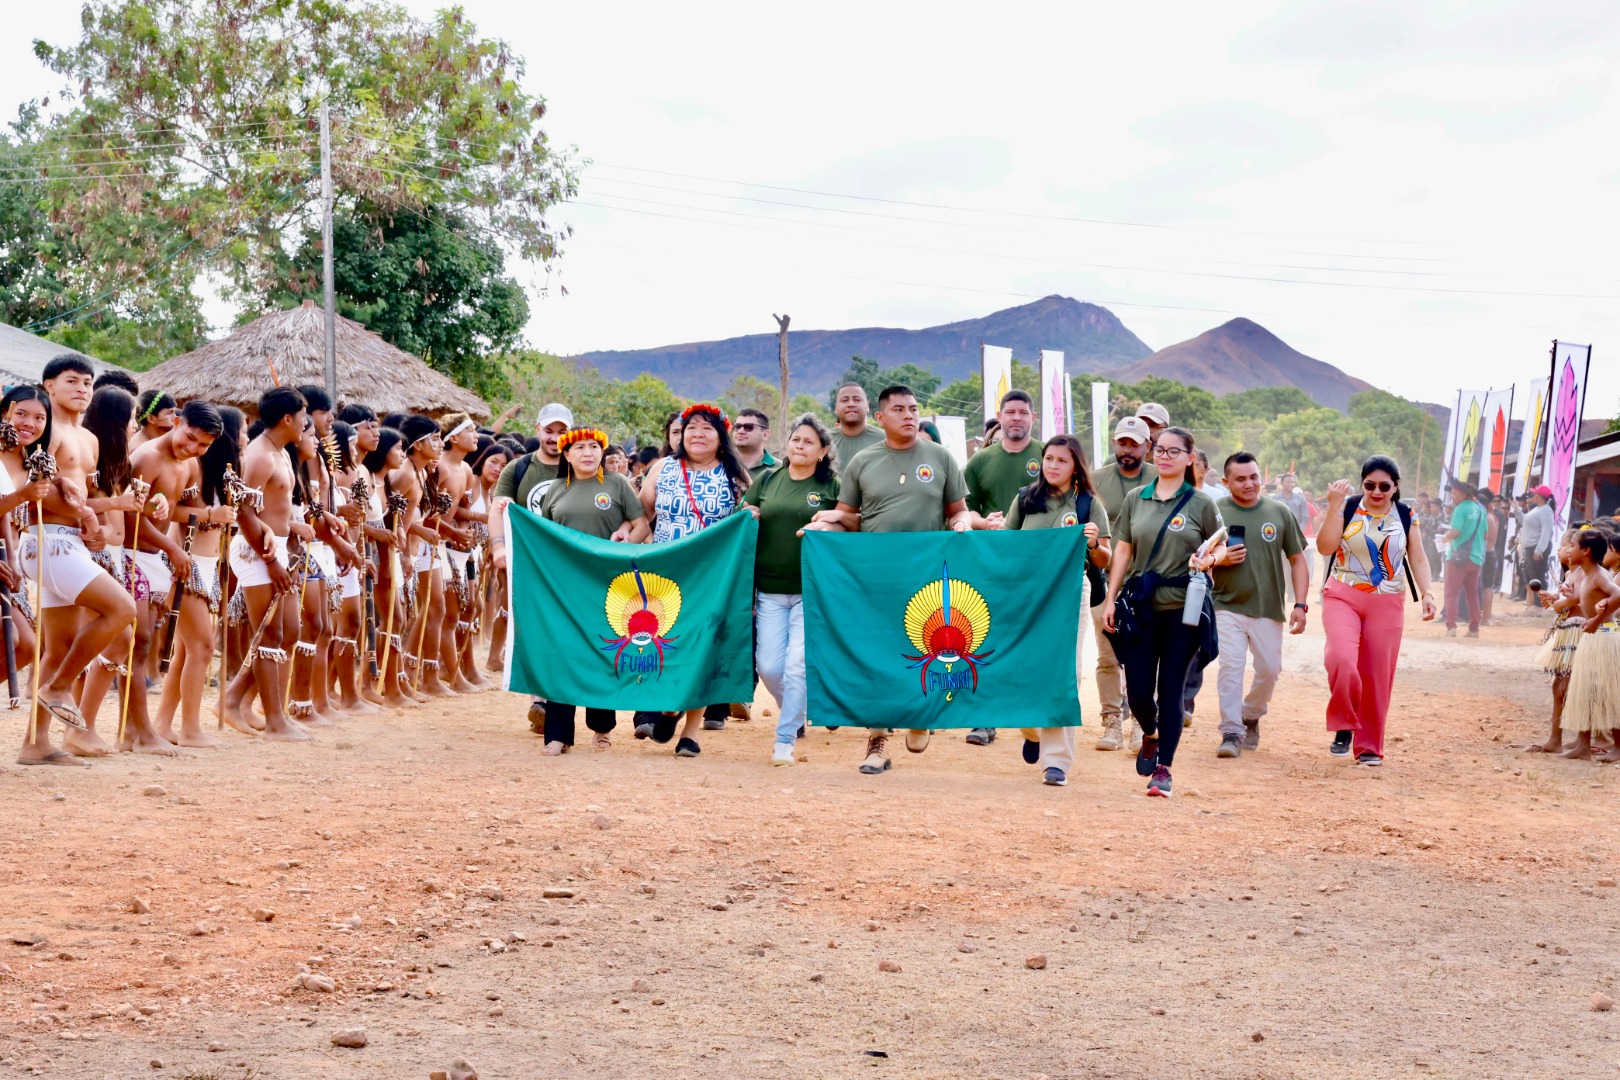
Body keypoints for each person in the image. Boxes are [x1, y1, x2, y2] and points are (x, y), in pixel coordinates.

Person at [807, 384, 971, 776]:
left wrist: (963, 523)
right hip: (875, 576)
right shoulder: (862, 461)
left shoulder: (941, 457)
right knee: (877, 655)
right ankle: (877, 741)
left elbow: (957, 510)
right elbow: (850, 516)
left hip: (928, 575)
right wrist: (826, 522)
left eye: (914, 409)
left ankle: (918, 715)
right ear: (880, 419)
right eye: (899, 409)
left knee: (920, 647)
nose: (909, 415)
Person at [20, 361, 142, 765]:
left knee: (58, 648)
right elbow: (41, 494)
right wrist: (108, 507)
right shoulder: (45, 430)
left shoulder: (88, 438)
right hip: (46, 540)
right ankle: (59, 688)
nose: (81, 389)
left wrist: (100, 527)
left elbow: (82, 499)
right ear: (49, 386)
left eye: (87, 383)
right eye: (71, 381)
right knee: (123, 609)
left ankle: (36, 743)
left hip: (72, 542)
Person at [1101, 426, 1224, 797]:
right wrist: (1111, 597)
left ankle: (1164, 769)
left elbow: (1221, 546)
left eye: (1175, 451)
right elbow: (1122, 550)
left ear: (1190, 458)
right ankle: (1150, 735)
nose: (1165, 456)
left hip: (1183, 610)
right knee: (1138, 691)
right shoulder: (1137, 498)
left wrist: (1209, 561)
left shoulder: (1201, 503)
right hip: (1141, 606)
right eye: (1161, 450)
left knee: (1170, 688)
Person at [636, 403, 752, 755]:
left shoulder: (736, 477)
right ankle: (671, 704)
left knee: (703, 647)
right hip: (665, 573)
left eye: (707, 428)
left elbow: (748, 521)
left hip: (712, 577)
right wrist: (624, 542)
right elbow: (644, 514)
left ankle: (692, 732)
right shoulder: (663, 468)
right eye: (691, 428)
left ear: (721, 438)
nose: (697, 434)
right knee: (668, 643)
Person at [1316, 455, 1437, 766]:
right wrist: (1333, 506)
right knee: (1341, 658)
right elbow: (1325, 547)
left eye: (1385, 485)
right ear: (1362, 484)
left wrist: (1428, 593)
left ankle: (1369, 746)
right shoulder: (1348, 507)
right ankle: (1346, 721)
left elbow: (1418, 558)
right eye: (1370, 484)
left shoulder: (1406, 515)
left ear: (1396, 487)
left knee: (1376, 676)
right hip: (1343, 594)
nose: (1377, 491)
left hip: (1388, 602)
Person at [1004, 434, 1110, 786]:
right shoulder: (1025, 498)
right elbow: (1005, 545)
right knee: (1022, 669)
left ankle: (1056, 762)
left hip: (1069, 592)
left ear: (1075, 465)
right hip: (1027, 593)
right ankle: (1033, 730)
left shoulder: (1088, 504)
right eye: (1048, 458)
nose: (1052, 465)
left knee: (1066, 672)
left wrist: (1094, 542)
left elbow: (1104, 558)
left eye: (1061, 460)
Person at [537, 426, 649, 754]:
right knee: (562, 654)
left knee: (603, 651)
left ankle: (602, 728)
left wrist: (626, 541)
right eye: (579, 448)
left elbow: (641, 524)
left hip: (609, 584)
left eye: (593, 447)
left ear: (602, 453)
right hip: (565, 587)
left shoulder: (616, 484)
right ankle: (558, 734)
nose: (587, 453)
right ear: (567, 455)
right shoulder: (554, 490)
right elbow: (543, 536)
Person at [743, 414, 840, 766]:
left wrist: (833, 519)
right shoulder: (768, 480)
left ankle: (785, 738)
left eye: (808, 442)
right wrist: (749, 512)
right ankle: (800, 710)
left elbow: (853, 519)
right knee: (768, 667)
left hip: (810, 590)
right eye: (796, 439)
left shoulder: (832, 487)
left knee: (797, 665)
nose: (799, 446)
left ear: (822, 451)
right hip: (768, 589)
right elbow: (746, 514)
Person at [128, 401, 224, 750]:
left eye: (203, 445)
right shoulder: (148, 457)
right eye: (190, 437)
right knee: (151, 648)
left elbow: (188, 508)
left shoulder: (189, 463)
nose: (193, 448)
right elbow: (131, 518)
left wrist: (212, 513)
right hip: (148, 556)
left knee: (179, 648)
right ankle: (167, 730)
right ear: (177, 421)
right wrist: (176, 547)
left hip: (170, 559)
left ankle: (159, 727)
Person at [220, 387, 309, 741]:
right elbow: (243, 511)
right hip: (256, 551)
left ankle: (234, 699)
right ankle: (274, 720)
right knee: (269, 634)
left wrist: (292, 528)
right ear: (287, 419)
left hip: (275, 548)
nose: (306, 423)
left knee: (289, 631)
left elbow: (275, 507)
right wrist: (270, 559)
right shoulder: (260, 456)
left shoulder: (281, 452)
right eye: (303, 416)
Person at [1209, 452, 1309, 758]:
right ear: (1226, 482)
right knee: (1231, 668)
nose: (1249, 483)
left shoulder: (1279, 512)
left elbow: (1298, 559)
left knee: (1269, 670)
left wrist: (1301, 604)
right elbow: (1197, 558)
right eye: (1240, 479)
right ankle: (1231, 731)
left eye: (1253, 477)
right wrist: (1220, 558)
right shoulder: (1213, 512)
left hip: (1268, 606)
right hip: (1225, 605)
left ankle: (1250, 714)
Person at [961, 388, 1040, 746]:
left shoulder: (1048, 455)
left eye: (1023, 412)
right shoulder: (980, 461)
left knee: (1032, 641)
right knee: (985, 638)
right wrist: (983, 523)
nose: (1016, 418)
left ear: (1032, 418)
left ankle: (1032, 716)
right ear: (1001, 416)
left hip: (1039, 568)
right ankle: (984, 718)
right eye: (1010, 412)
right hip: (991, 563)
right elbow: (963, 512)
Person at [489, 402, 572, 732]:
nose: (554, 438)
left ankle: (558, 699)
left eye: (561, 431)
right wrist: (498, 547)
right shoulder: (519, 469)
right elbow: (498, 508)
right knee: (534, 627)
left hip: (569, 565)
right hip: (529, 563)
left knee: (565, 629)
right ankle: (539, 699)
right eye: (548, 431)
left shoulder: (580, 466)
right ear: (537, 430)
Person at [1087, 416, 1152, 752]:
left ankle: (1141, 724)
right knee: (1108, 656)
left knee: (1143, 656)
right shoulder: (1096, 481)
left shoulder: (1161, 480)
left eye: (1134, 443)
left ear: (1147, 447)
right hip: (1103, 581)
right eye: (1121, 443)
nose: (1127, 450)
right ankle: (1111, 722)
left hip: (1147, 583)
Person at [1556, 528, 1620, 761]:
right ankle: (1583, 745)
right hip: (1592, 637)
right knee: (1584, 690)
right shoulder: (1586, 574)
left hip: (1604, 636)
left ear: (1586, 550)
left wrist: (1596, 619)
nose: (1568, 549)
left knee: (1606, 691)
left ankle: (1618, 746)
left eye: (1572, 545)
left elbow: (1618, 595)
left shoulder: (1599, 575)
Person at [1530, 527, 1584, 754]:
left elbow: (1577, 601)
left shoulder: (1583, 574)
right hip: (1567, 632)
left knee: (1569, 686)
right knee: (1559, 686)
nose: (1566, 550)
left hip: (1577, 633)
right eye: (1565, 545)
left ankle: (1581, 741)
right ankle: (1556, 739)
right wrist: (1556, 598)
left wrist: (1559, 602)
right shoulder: (1573, 574)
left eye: (1570, 545)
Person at [1442, 477, 1487, 637]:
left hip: (1458, 558)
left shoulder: (1460, 509)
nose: (1452, 497)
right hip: (1476, 558)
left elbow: (1455, 531)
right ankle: (1474, 629)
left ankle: (1451, 627)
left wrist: (1445, 538)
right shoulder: (1480, 509)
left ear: (1462, 494)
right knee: (1472, 594)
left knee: (1451, 592)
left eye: (1454, 494)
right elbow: (1485, 534)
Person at [1518, 486, 1556, 612]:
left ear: (1540, 496)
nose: (1532, 496)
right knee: (1531, 576)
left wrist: (1539, 549)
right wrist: (1516, 511)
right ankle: (1534, 604)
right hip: (1531, 546)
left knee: (1537, 576)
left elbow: (1546, 532)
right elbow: (1525, 522)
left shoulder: (1545, 510)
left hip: (1537, 546)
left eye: (1534, 494)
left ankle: (1540, 605)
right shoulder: (1538, 509)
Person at [830, 383, 884, 465]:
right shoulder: (824, 440)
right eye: (845, 400)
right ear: (836, 408)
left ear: (867, 406)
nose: (851, 404)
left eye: (857, 400)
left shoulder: (885, 439)